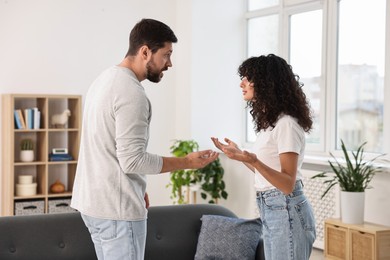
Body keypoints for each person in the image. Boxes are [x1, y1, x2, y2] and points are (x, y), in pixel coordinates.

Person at [71, 18, 218, 260]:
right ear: (145, 51)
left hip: (93, 205)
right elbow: (132, 161)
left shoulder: (104, 80)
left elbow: (106, 145)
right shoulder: (131, 93)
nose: (169, 63)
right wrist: (188, 162)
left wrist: (137, 187)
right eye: (166, 55)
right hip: (117, 211)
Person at [211, 54, 316, 260]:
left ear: (266, 83)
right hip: (273, 208)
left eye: (247, 78)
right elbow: (269, 173)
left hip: (285, 209)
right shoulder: (270, 123)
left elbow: (286, 183)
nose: (241, 83)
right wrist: (242, 156)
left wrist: (253, 160)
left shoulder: (286, 124)